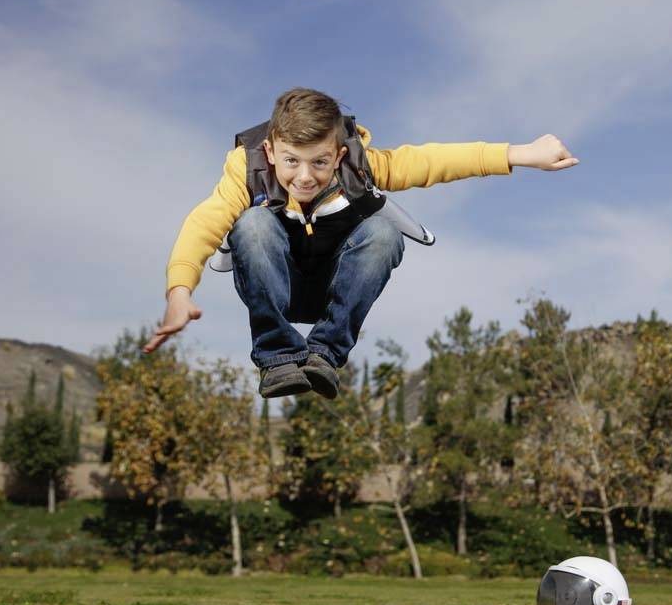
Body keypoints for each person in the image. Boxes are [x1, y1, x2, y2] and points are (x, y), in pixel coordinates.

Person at [144, 87, 578, 398]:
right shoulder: (247, 172)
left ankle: (324, 355)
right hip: (273, 284)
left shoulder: (362, 168)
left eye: (319, 163)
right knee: (253, 224)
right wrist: (180, 291)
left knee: (383, 232)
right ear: (272, 151)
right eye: (291, 161)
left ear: (339, 155)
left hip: (335, 290)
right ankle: (277, 359)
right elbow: (204, 222)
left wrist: (520, 153)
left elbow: (433, 161)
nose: (304, 177)